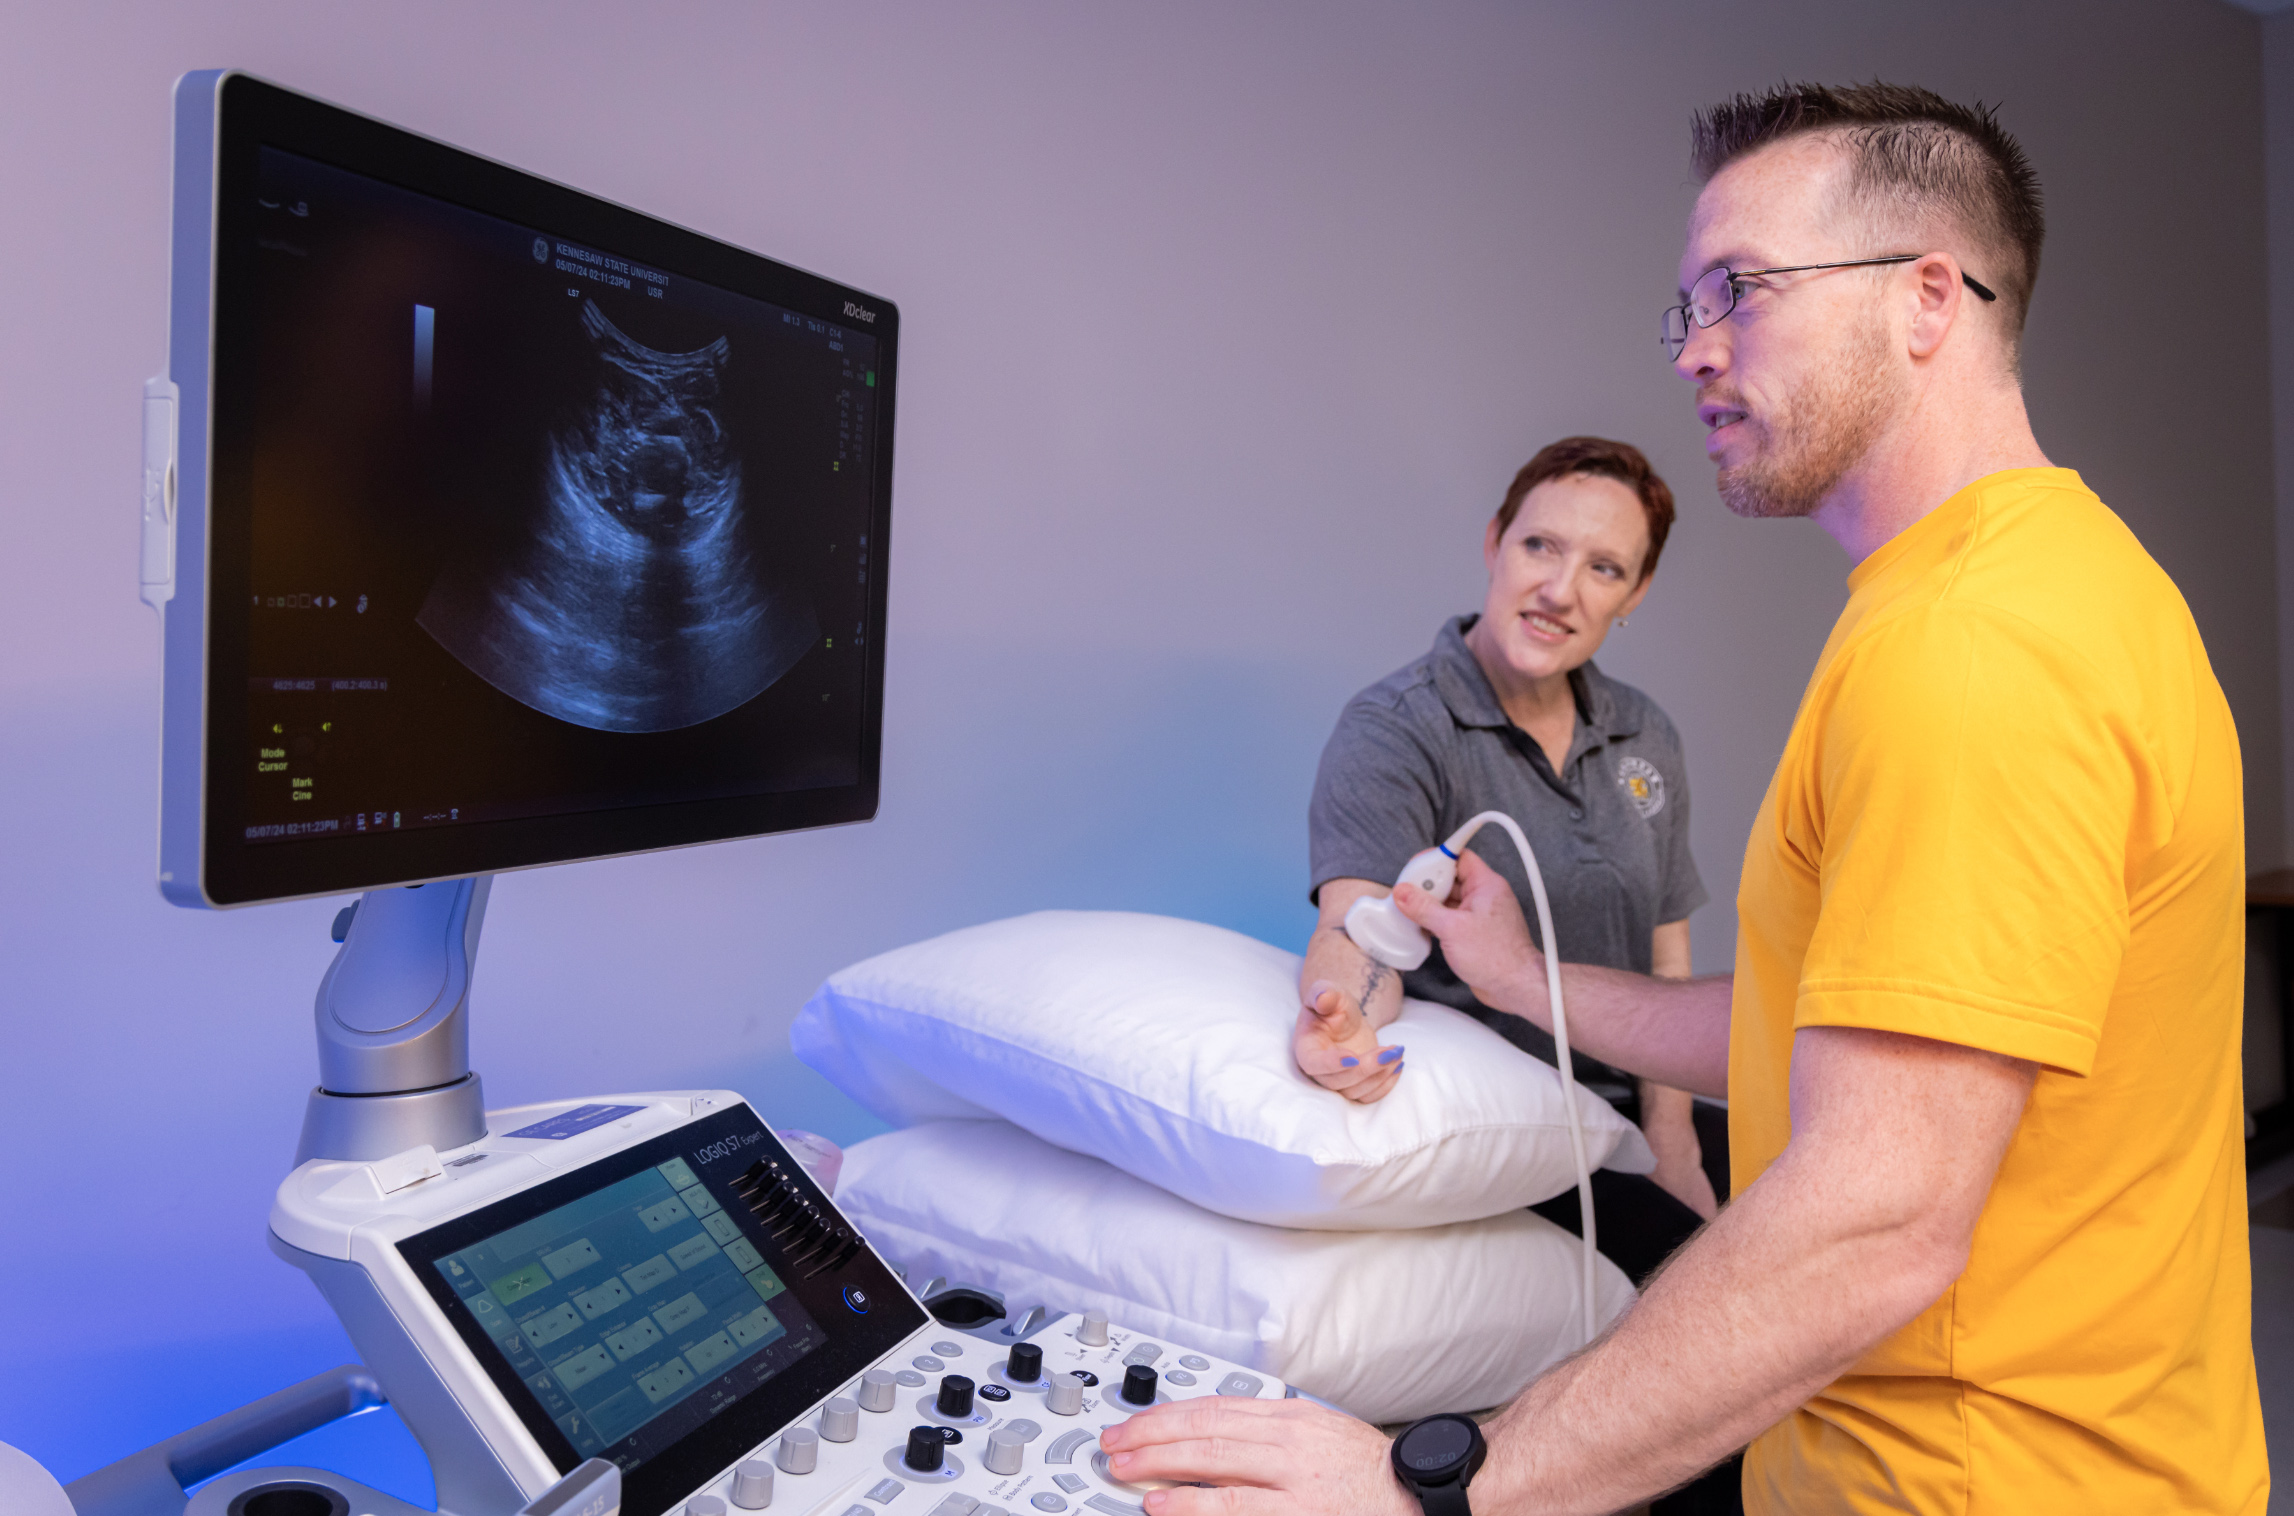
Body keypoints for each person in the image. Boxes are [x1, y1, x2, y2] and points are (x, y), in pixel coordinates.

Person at [1102, 81, 2268, 1514]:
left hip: (1971, 1478)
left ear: (1923, 300)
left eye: (1741, 293)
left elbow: (1877, 1218)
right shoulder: (2057, 587)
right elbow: (1825, 1025)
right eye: (1685, 309)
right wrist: (1517, 976)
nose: (1694, 351)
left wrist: (1446, 1485)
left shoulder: (1968, 648)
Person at [1295, 436, 1725, 1275]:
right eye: (1541, 546)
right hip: (1519, 1134)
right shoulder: (1400, 728)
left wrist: (1673, 1142)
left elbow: (1667, 959)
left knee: (1824, 1202)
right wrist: (1339, 1015)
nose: (1559, 591)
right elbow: (1357, 923)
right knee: (1724, 1286)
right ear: (1495, 542)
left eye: (1605, 568)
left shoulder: (1646, 734)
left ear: (1635, 592)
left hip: (1638, 1109)